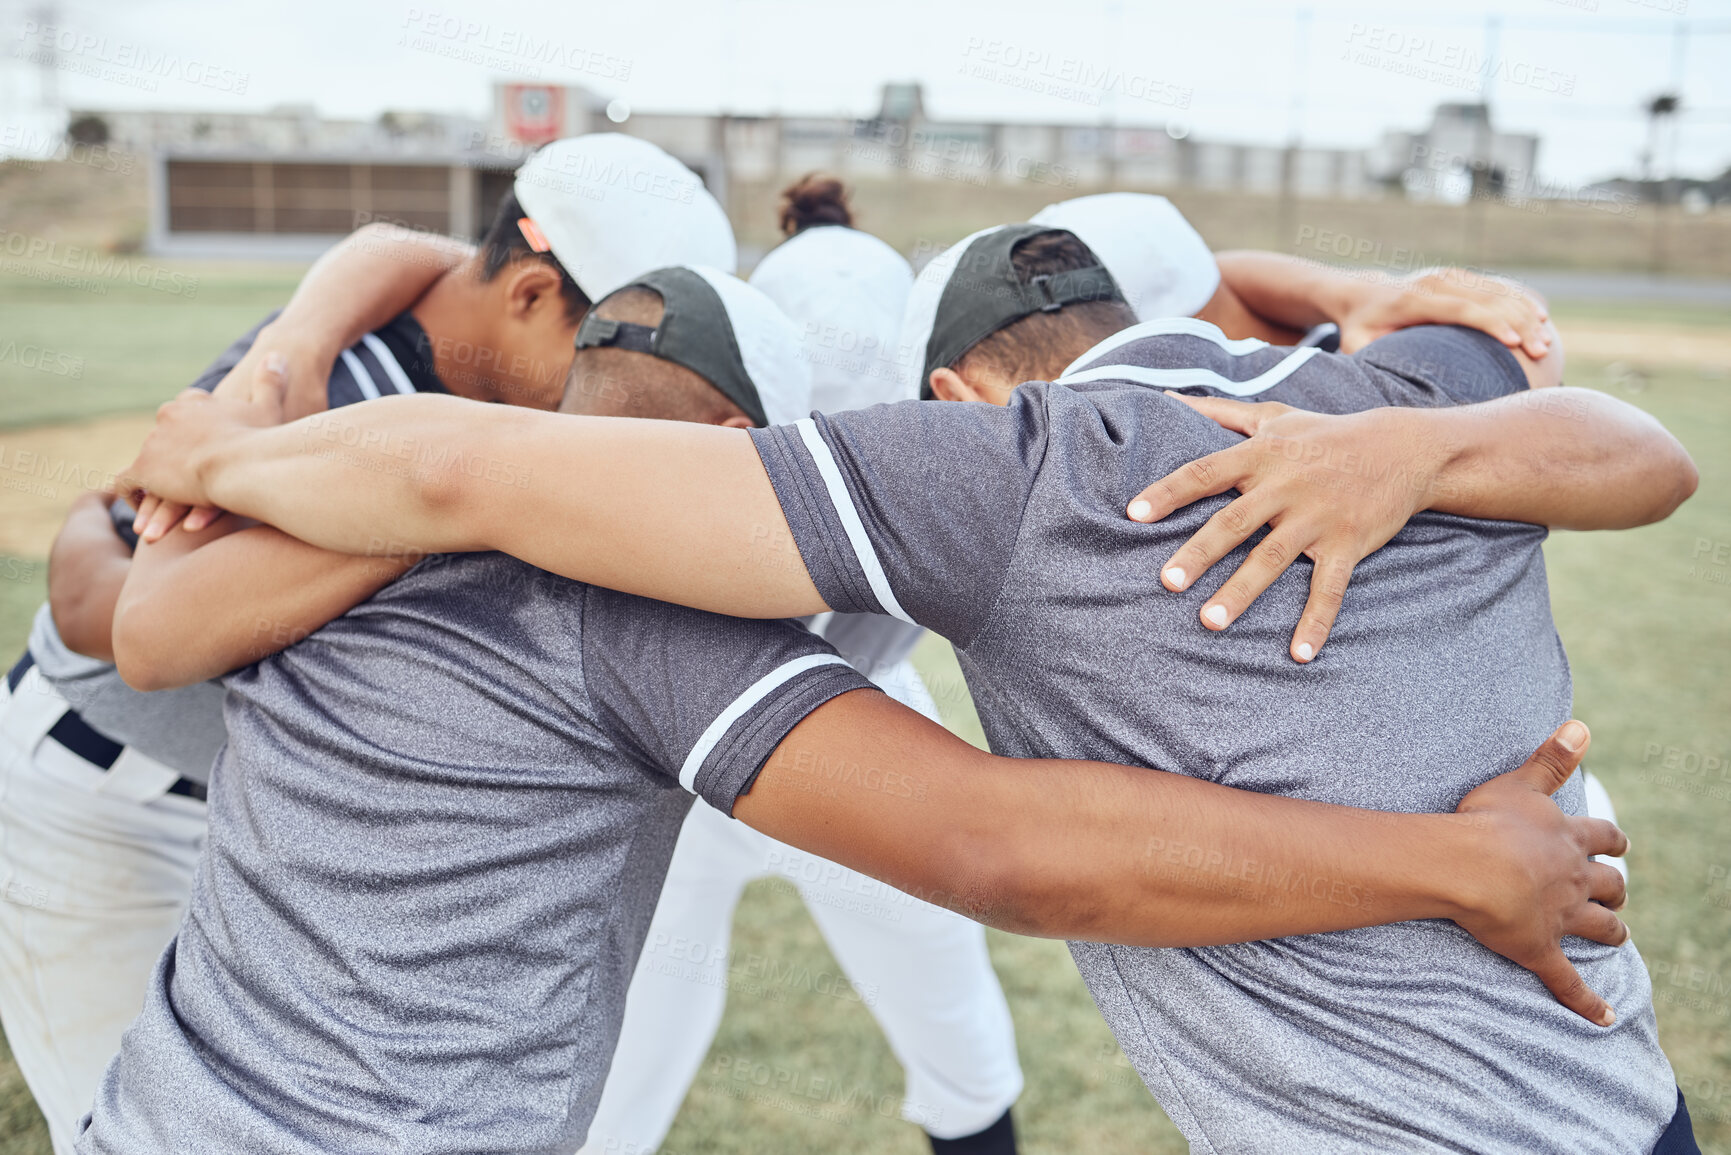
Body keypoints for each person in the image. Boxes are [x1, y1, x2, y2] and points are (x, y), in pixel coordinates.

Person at [115, 236, 1700, 1147]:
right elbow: (1648, 449)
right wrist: (1391, 360)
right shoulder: (1420, 387)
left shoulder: (994, 472)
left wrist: (222, 444)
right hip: (1604, 1089)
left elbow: (385, 500)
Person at [0, 132, 726, 1154]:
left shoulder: (440, 361)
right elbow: (113, 616)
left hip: (241, 828)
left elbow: (409, 246)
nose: (613, 385)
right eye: (607, 343)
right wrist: (88, 517)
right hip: (103, 802)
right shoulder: (328, 388)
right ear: (525, 295)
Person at [580, 174, 1023, 1155]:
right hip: (688, 749)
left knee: (955, 1033)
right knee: (626, 1065)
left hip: (860, 730)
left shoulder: (954, 444)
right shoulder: (698, 437)